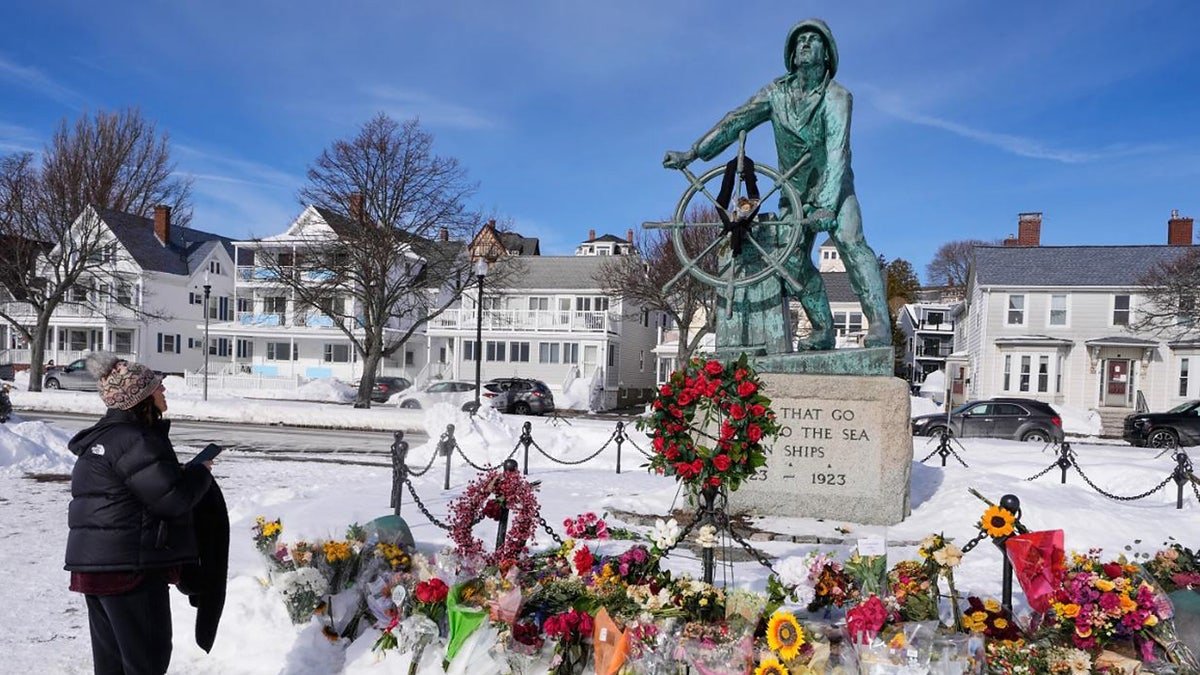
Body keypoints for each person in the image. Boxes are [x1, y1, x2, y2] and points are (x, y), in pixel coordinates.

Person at [664, 18, 891, 349]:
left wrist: (828, 204)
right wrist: (694, 153)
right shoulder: (776, 94)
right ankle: (823, 330)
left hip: (836, 191)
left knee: (852, 244)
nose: (805, 44)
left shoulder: (837, 97)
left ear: (828, 54)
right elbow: (734, 121)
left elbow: (837, 151)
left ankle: (880, 325)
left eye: (814, 40)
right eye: (800, 41)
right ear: (790, 52)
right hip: (793, 193)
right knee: (793, 263)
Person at [65, 353, 214, 675]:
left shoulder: (104, 439)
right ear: (141, 397)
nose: (164, 390)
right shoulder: (136, 440)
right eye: (158, 386)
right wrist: (200, 472)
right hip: (131, 570)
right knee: (147, 660)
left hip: (96, 568)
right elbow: (172, 500)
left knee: (113, 665)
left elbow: (146, 489)